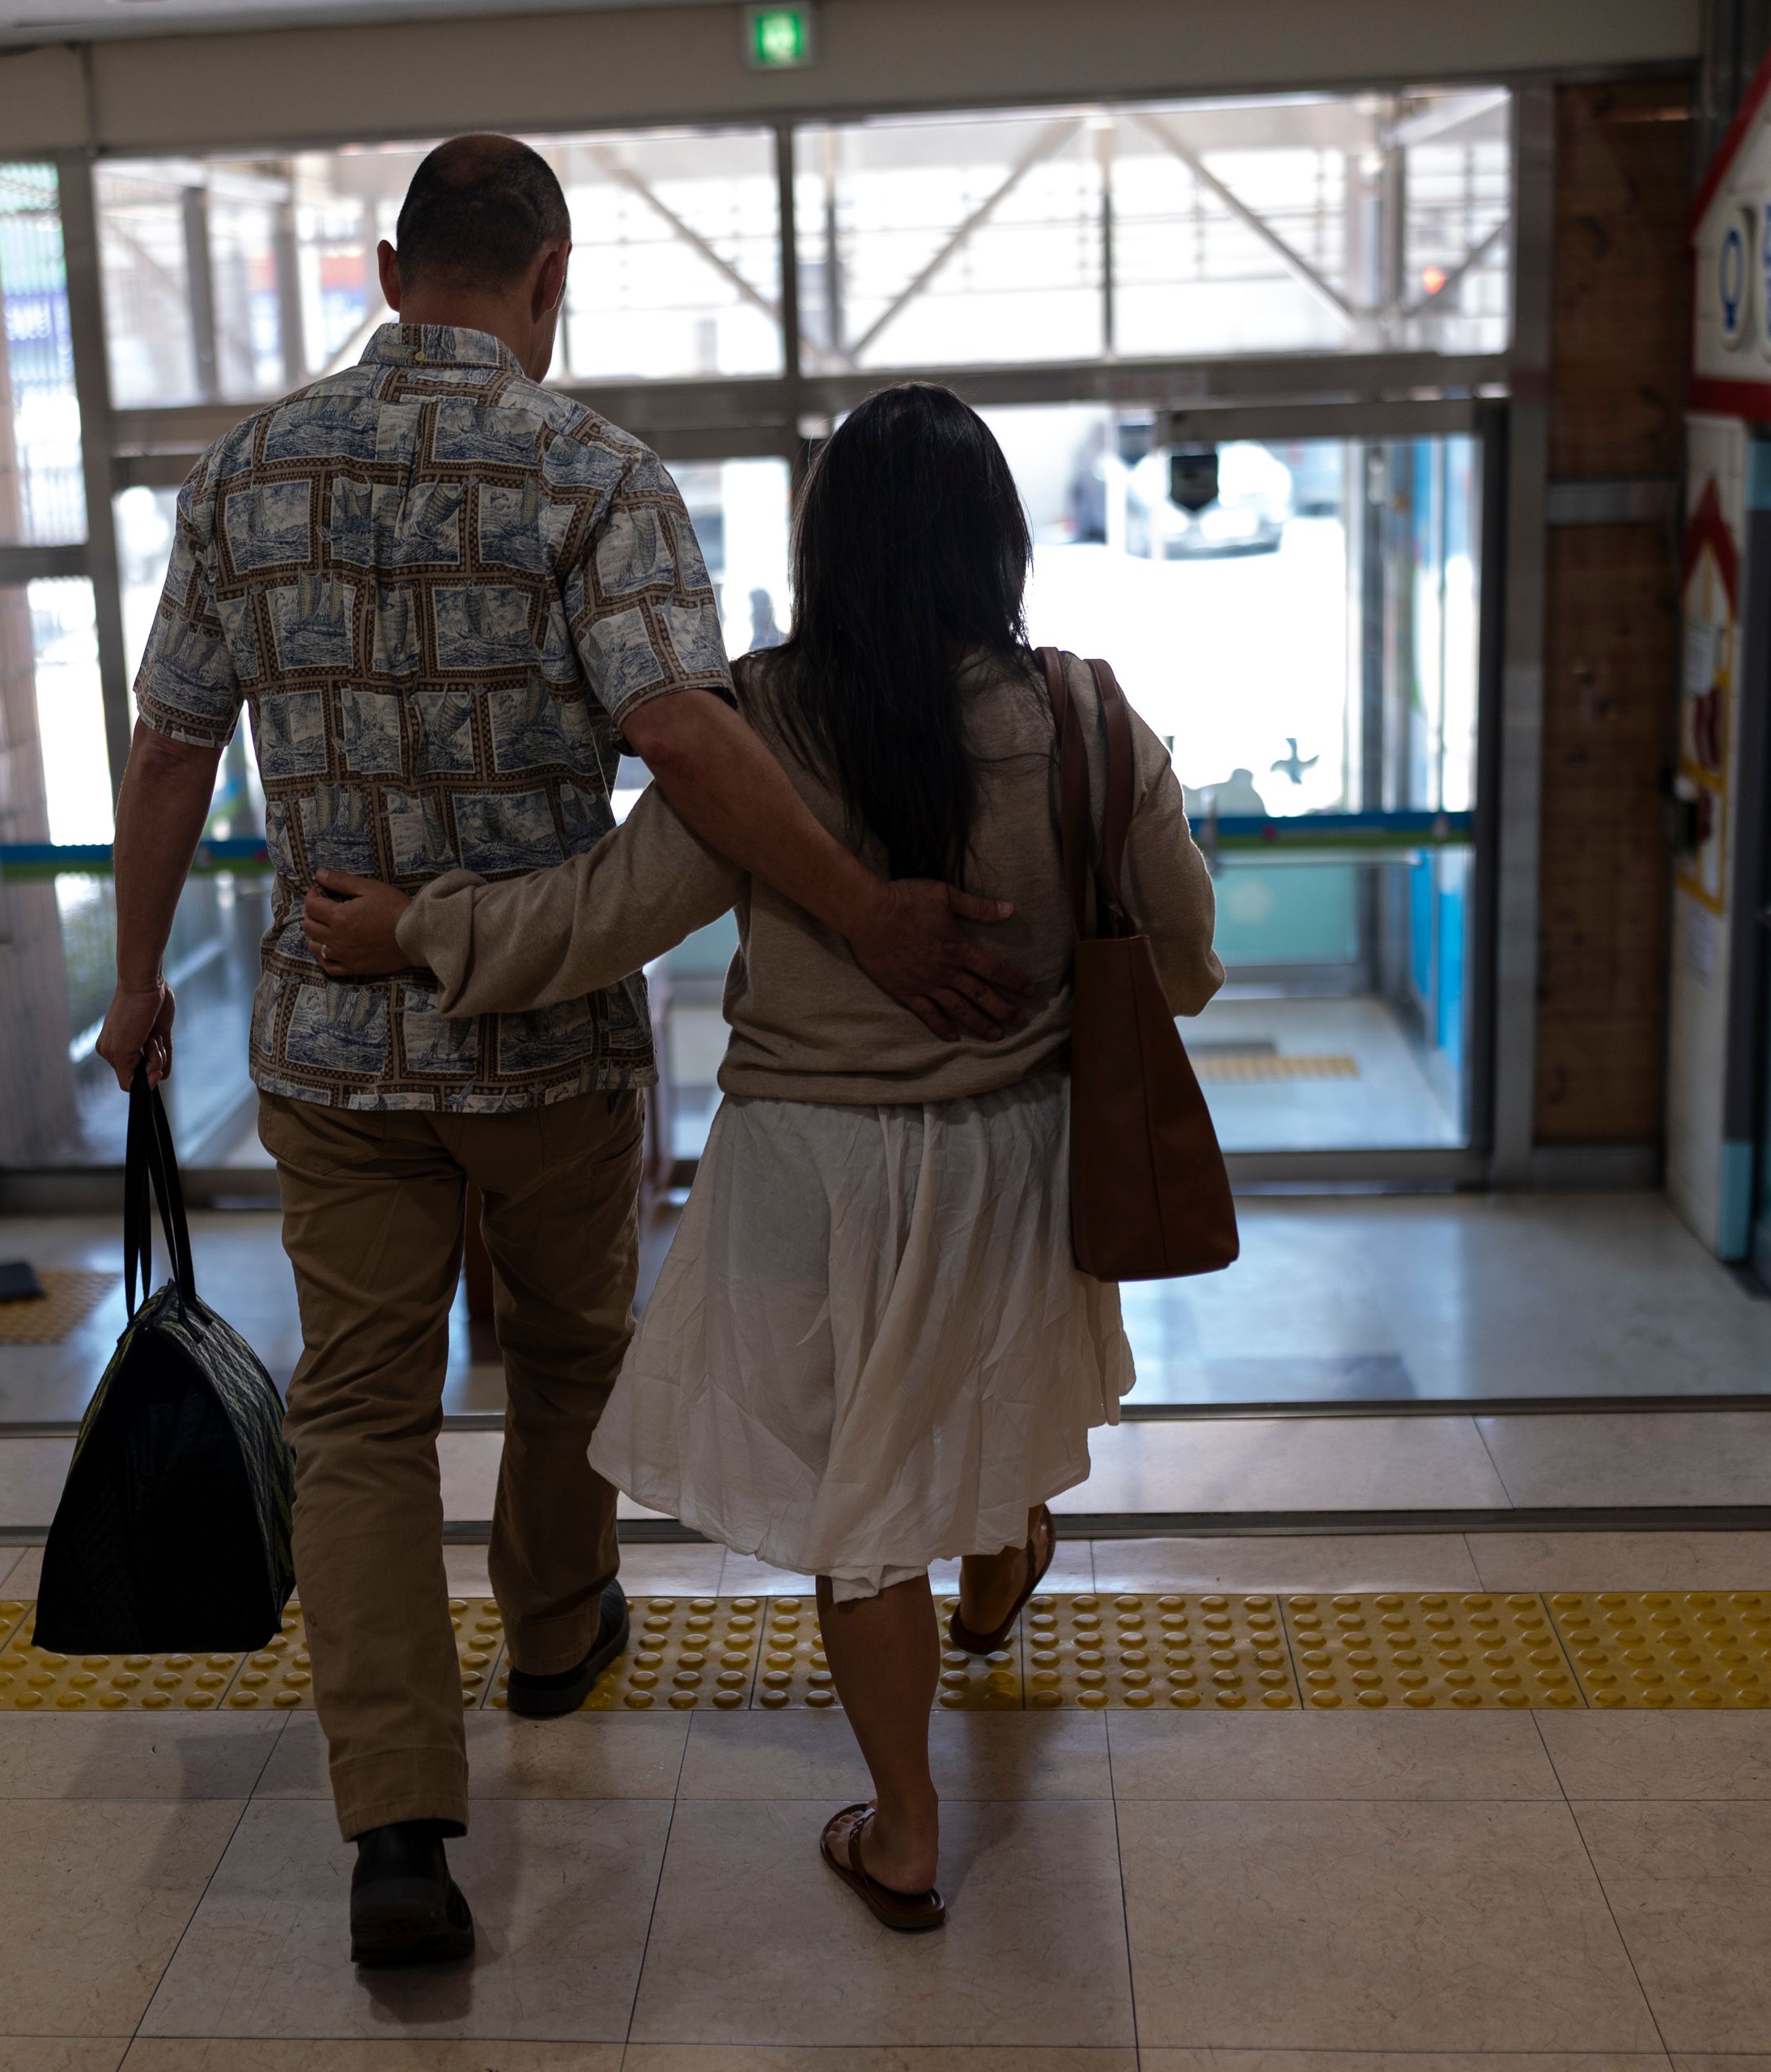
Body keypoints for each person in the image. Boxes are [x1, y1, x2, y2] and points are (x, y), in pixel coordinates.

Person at [94, 137, 1029, 1971]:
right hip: (546, 1050)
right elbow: (679, 733)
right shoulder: (596, 473)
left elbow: (168, 748)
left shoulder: (244, 474)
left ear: (386, 268)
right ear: (552, 275)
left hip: (334, 1046)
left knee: (359, 1414)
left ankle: (399, 1830)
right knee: (568, 1356)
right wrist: (864, 902)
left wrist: (138, 982)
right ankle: (553, 1627)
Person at [304, 383, 1223, 1928]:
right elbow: (1182, 961)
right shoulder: (1084, 717)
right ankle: (999, 1575)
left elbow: (600, 915)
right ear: (1001, 546)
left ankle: (907, 1835)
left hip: (810, 1175)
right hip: (1011, 1162)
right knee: (977, 1409)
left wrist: (415, 929)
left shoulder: (763, 724)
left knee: (862, 1504)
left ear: (824, 552)